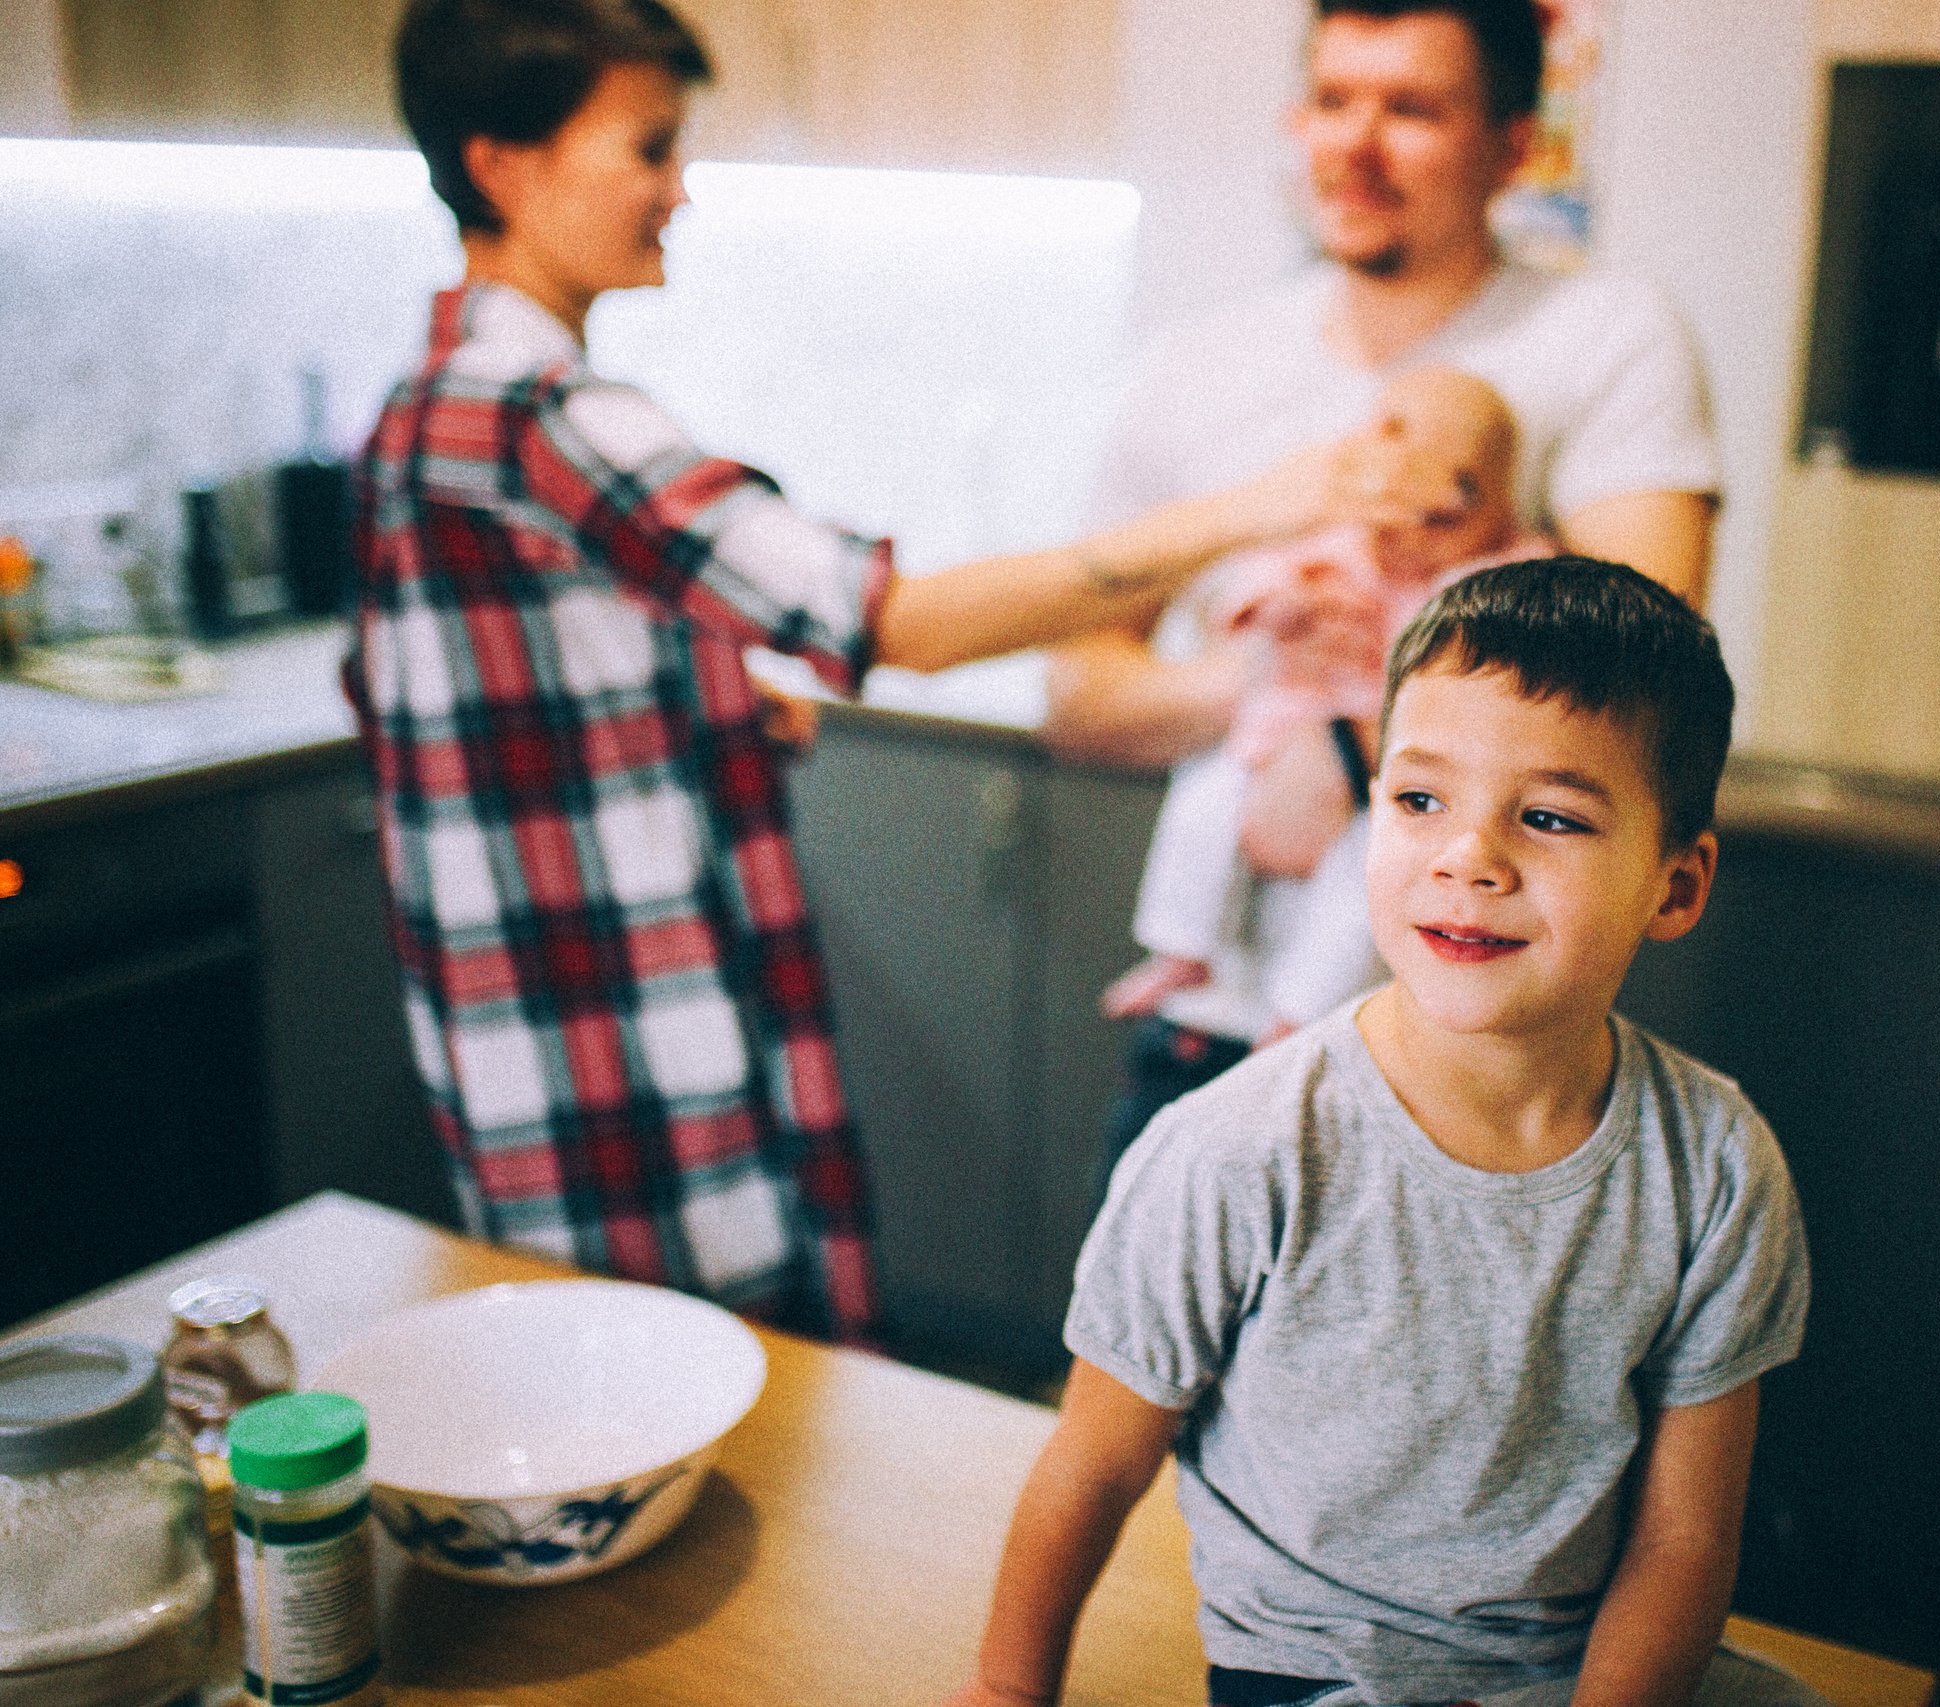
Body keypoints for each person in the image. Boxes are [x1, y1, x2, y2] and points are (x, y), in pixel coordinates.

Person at [353, 0, 1412, 1343]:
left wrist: (708, 699)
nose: (679, 188)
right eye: (648, 147)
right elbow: (898, 623)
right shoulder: (535, 410)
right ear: (504, 164)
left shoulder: (428, 401)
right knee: (688, 1374)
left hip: (531, 1022)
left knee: (624, 1375)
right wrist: (1263, 502)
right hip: (609, 1026)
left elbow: (457, 690)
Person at [948, 558, 1821, 1707]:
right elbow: (1092, 1465)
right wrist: (1009, 1693)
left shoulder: (1714, 1164)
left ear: (1675, 885)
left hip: (1583, 1669)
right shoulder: (1239, 1147)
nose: (1469, 857)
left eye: (1549, 817)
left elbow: (1684, 1540)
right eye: (1417, 801)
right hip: (1320, 1678)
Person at [1052, 0, 1724, 1164]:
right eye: (1333, 100)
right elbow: (1080, 700)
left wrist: (1350, 751)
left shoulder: (1605, 336)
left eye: (1412, 109)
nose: (1355, 146)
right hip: (1205, 1037)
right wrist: (1267, 692)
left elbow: (1634, 687)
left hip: (1472, 1052)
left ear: (1515, 144)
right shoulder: (1197, 364)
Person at [1101, 366, 1549, 1048]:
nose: (1414, 535)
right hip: (1271, 738)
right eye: (1400, 508)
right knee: (1198, 808)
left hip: (1390, 787)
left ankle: (1297, 1016)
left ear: (1499, 509)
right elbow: (1246, 596)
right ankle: (1181, 948)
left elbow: (1527, 664)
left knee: (1367, 888)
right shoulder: (1332, 542)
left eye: (1447, 517)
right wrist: (1278, 610)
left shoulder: (1499, 575)